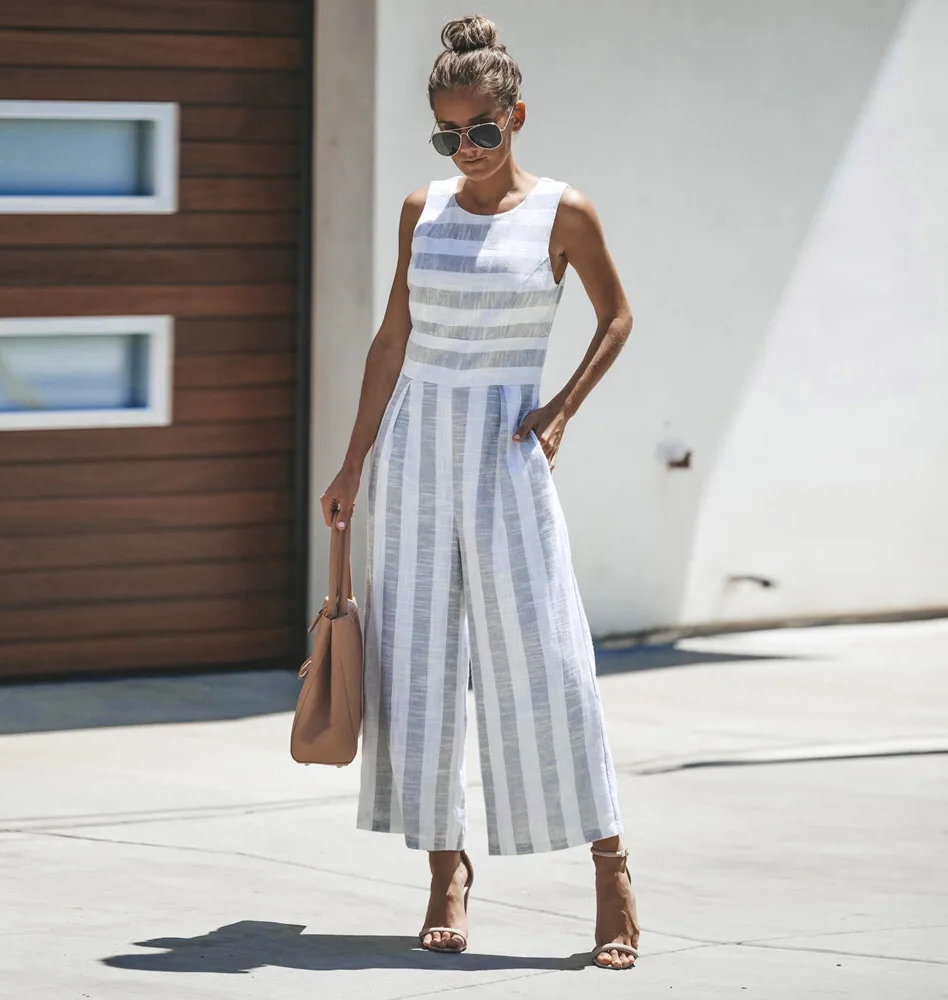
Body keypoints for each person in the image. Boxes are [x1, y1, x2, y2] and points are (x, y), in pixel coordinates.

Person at [320, 14, 640, 970]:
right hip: (414, 450)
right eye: (448, 135)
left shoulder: (564, 214)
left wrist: (561, 412)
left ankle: (610, 865)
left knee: (548, 658)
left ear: (517, 117)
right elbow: (392, 341)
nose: (467, 149)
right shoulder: (422, 211)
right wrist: (352, 462)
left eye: (484, 130)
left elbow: (617, 319)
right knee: (416, 667)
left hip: (506, 451)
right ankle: (444, 870)